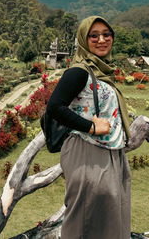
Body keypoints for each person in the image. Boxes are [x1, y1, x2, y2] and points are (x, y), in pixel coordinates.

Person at [46, 16, 132, 239]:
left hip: (109, 152)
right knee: (84, 218)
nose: (101, 39)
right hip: (86, 150)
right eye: (94, 35)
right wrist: (91, 127)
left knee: (109, 215)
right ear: (84, 40)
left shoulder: (102, 70)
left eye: (106, 34)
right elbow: (55, 106)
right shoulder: (79, 71)